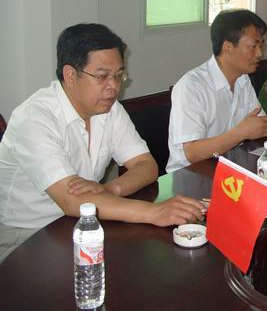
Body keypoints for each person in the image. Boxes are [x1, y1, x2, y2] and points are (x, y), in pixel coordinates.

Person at [0, 24, 205, 263]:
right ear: (70, 75)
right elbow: (71, 200)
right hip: (25, 236)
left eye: (118, 76)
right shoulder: (34, 118)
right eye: (102, 76)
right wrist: (154, 212)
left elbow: (146, 165)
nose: (114, 86)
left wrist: (109, 190)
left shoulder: (109, 109)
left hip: (83, 220)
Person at [167, 9, 267, 173]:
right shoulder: (191, 87)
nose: (260, 53)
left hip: (229, 168)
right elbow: (192, 153)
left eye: (261, 46)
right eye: (253, 46)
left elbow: (258, 127)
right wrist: (240, 133)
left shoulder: (243, 80)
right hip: (190, 175)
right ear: (228, 47)